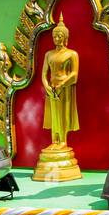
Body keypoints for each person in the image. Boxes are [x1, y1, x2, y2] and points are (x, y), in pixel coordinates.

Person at [41, 15, 79, 146]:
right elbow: (44, 73)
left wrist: (62, 84)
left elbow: (74, 74)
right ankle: (54, 140)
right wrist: (47, 87)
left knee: (64, 114)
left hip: (65, 87)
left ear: (65, 37)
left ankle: (63, 140)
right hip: (52, 88)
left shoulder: (72, 54)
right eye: (55, 36)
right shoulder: (48, 54)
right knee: (54, 115)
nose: (57, 39)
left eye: (60, 36)